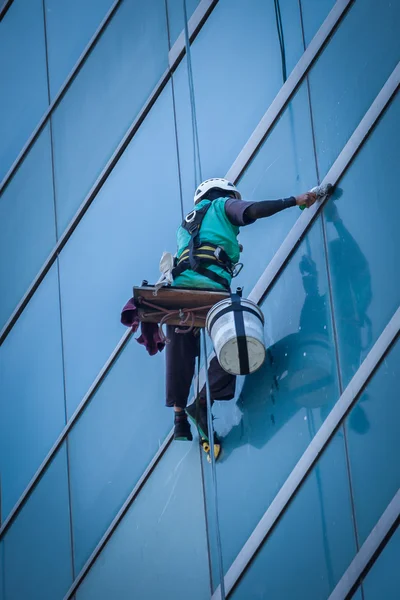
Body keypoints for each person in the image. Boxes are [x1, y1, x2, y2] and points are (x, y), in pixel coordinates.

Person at [166, 177, 317, 451]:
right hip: (211, 290)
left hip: (179, 291)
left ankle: (179, 417)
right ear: (224, 193)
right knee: (236, 341)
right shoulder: (222, 205)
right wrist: (295, 200)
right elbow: (253, 211)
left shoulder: (185, 225)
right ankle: (201, 401)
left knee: (180, 348)